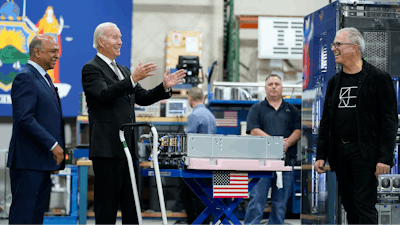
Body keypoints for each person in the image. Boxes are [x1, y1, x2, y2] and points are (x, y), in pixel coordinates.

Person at [81, 22, 186, 225]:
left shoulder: (122, 69)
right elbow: (104, 94)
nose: (120, 42)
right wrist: (132, 79)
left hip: (128, 148)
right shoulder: (91, 69)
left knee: (132, 204)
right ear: (101, 41)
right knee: (107, 206)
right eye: (115, 37)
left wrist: (164, 87)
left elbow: (143, 97)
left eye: (120, 37)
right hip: (107, 149)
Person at [314, 27, 398, 224]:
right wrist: (321, 155)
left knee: (364, 205)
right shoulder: (335, 82)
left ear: (354, 47)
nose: (333, 48)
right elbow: (326, 121)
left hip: (365, 153)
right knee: (349, 206)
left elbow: (389, 121)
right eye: (333, 44)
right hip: (340, 152)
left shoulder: (378, 79)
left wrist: (385, 158)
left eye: (338, 44)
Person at [7, 34, 65, 224]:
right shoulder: (25, 78)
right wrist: (53, 145)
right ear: (37, 52)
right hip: (28, 163)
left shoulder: (44, 78)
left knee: (35, 217)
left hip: (41, 162)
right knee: (23, 217)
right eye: (53, 51)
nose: (57, 55)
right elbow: (25, 119)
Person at [244, 74, 301, 225]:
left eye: (277, 84)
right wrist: (274, 143)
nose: (274, 87)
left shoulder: (292, 109)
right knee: (257, 199)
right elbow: (253, 130)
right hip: (261, 162)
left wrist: (287, 143)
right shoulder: (257, 109)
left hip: (286, 161)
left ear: (282, 88)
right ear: (265, 88)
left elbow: (298, 130)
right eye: (271, 84)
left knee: (280, 202)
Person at [178, 86, 216, 224]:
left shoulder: (194, 115)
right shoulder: (210, 115)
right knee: (204, 196)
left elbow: (189, 141)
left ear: (190, 98)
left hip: (195, 164)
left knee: (190, 196)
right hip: (208, 162)